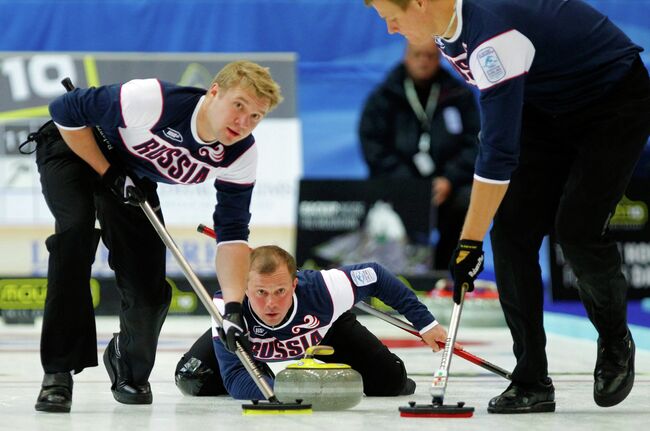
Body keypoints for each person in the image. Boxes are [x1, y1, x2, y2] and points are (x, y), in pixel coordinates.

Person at [365, 0, 650, 414]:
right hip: (546, 103)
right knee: (511, 232)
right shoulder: (447, 28)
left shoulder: (490, 38)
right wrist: (478, 238)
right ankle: (531, 380)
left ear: (421, 4)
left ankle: (614, 340)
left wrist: (467, 243)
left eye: (391, 17)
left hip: (613, 99)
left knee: (576, 229)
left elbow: (498, 154)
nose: (390, 29)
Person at [30, 60, 283, 412]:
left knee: (147, 284)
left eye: (256, 116)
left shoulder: (239, 154)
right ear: (214, 92)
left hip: (131, 175)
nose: (243, 122)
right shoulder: (155, 100)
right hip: (75, 146)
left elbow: (232, 234)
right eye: (238, 105)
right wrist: (107, 173)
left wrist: (235, 306)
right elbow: (64, 110)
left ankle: (126, 362)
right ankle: (58, 371)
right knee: (74, 234)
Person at [174, 245, 448, 399]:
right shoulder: (226, 308)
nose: (271, 303)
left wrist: (426, 324)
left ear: (295, 284)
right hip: (245, 338)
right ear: (244, 288)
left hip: (323, 330)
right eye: (261, 292)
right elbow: (234, 377)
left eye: (280, 291)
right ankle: (261, 372)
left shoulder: (323, 289)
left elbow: (375, 276)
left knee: (389, 382)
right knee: (191, 377)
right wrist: (285, 390)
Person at [359, 40, 479, 270]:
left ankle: (444, 271)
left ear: (440, 58)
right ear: (406, 57)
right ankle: (395, 273)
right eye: (417, 55)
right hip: (398, 186)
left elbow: (474, 143)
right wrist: (409, 184)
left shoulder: (458, 95)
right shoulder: (384, 96)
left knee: (467, 200)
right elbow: (373, 146)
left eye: (429, 56)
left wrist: (450, 179)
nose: (423, 61)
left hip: (446, 188)